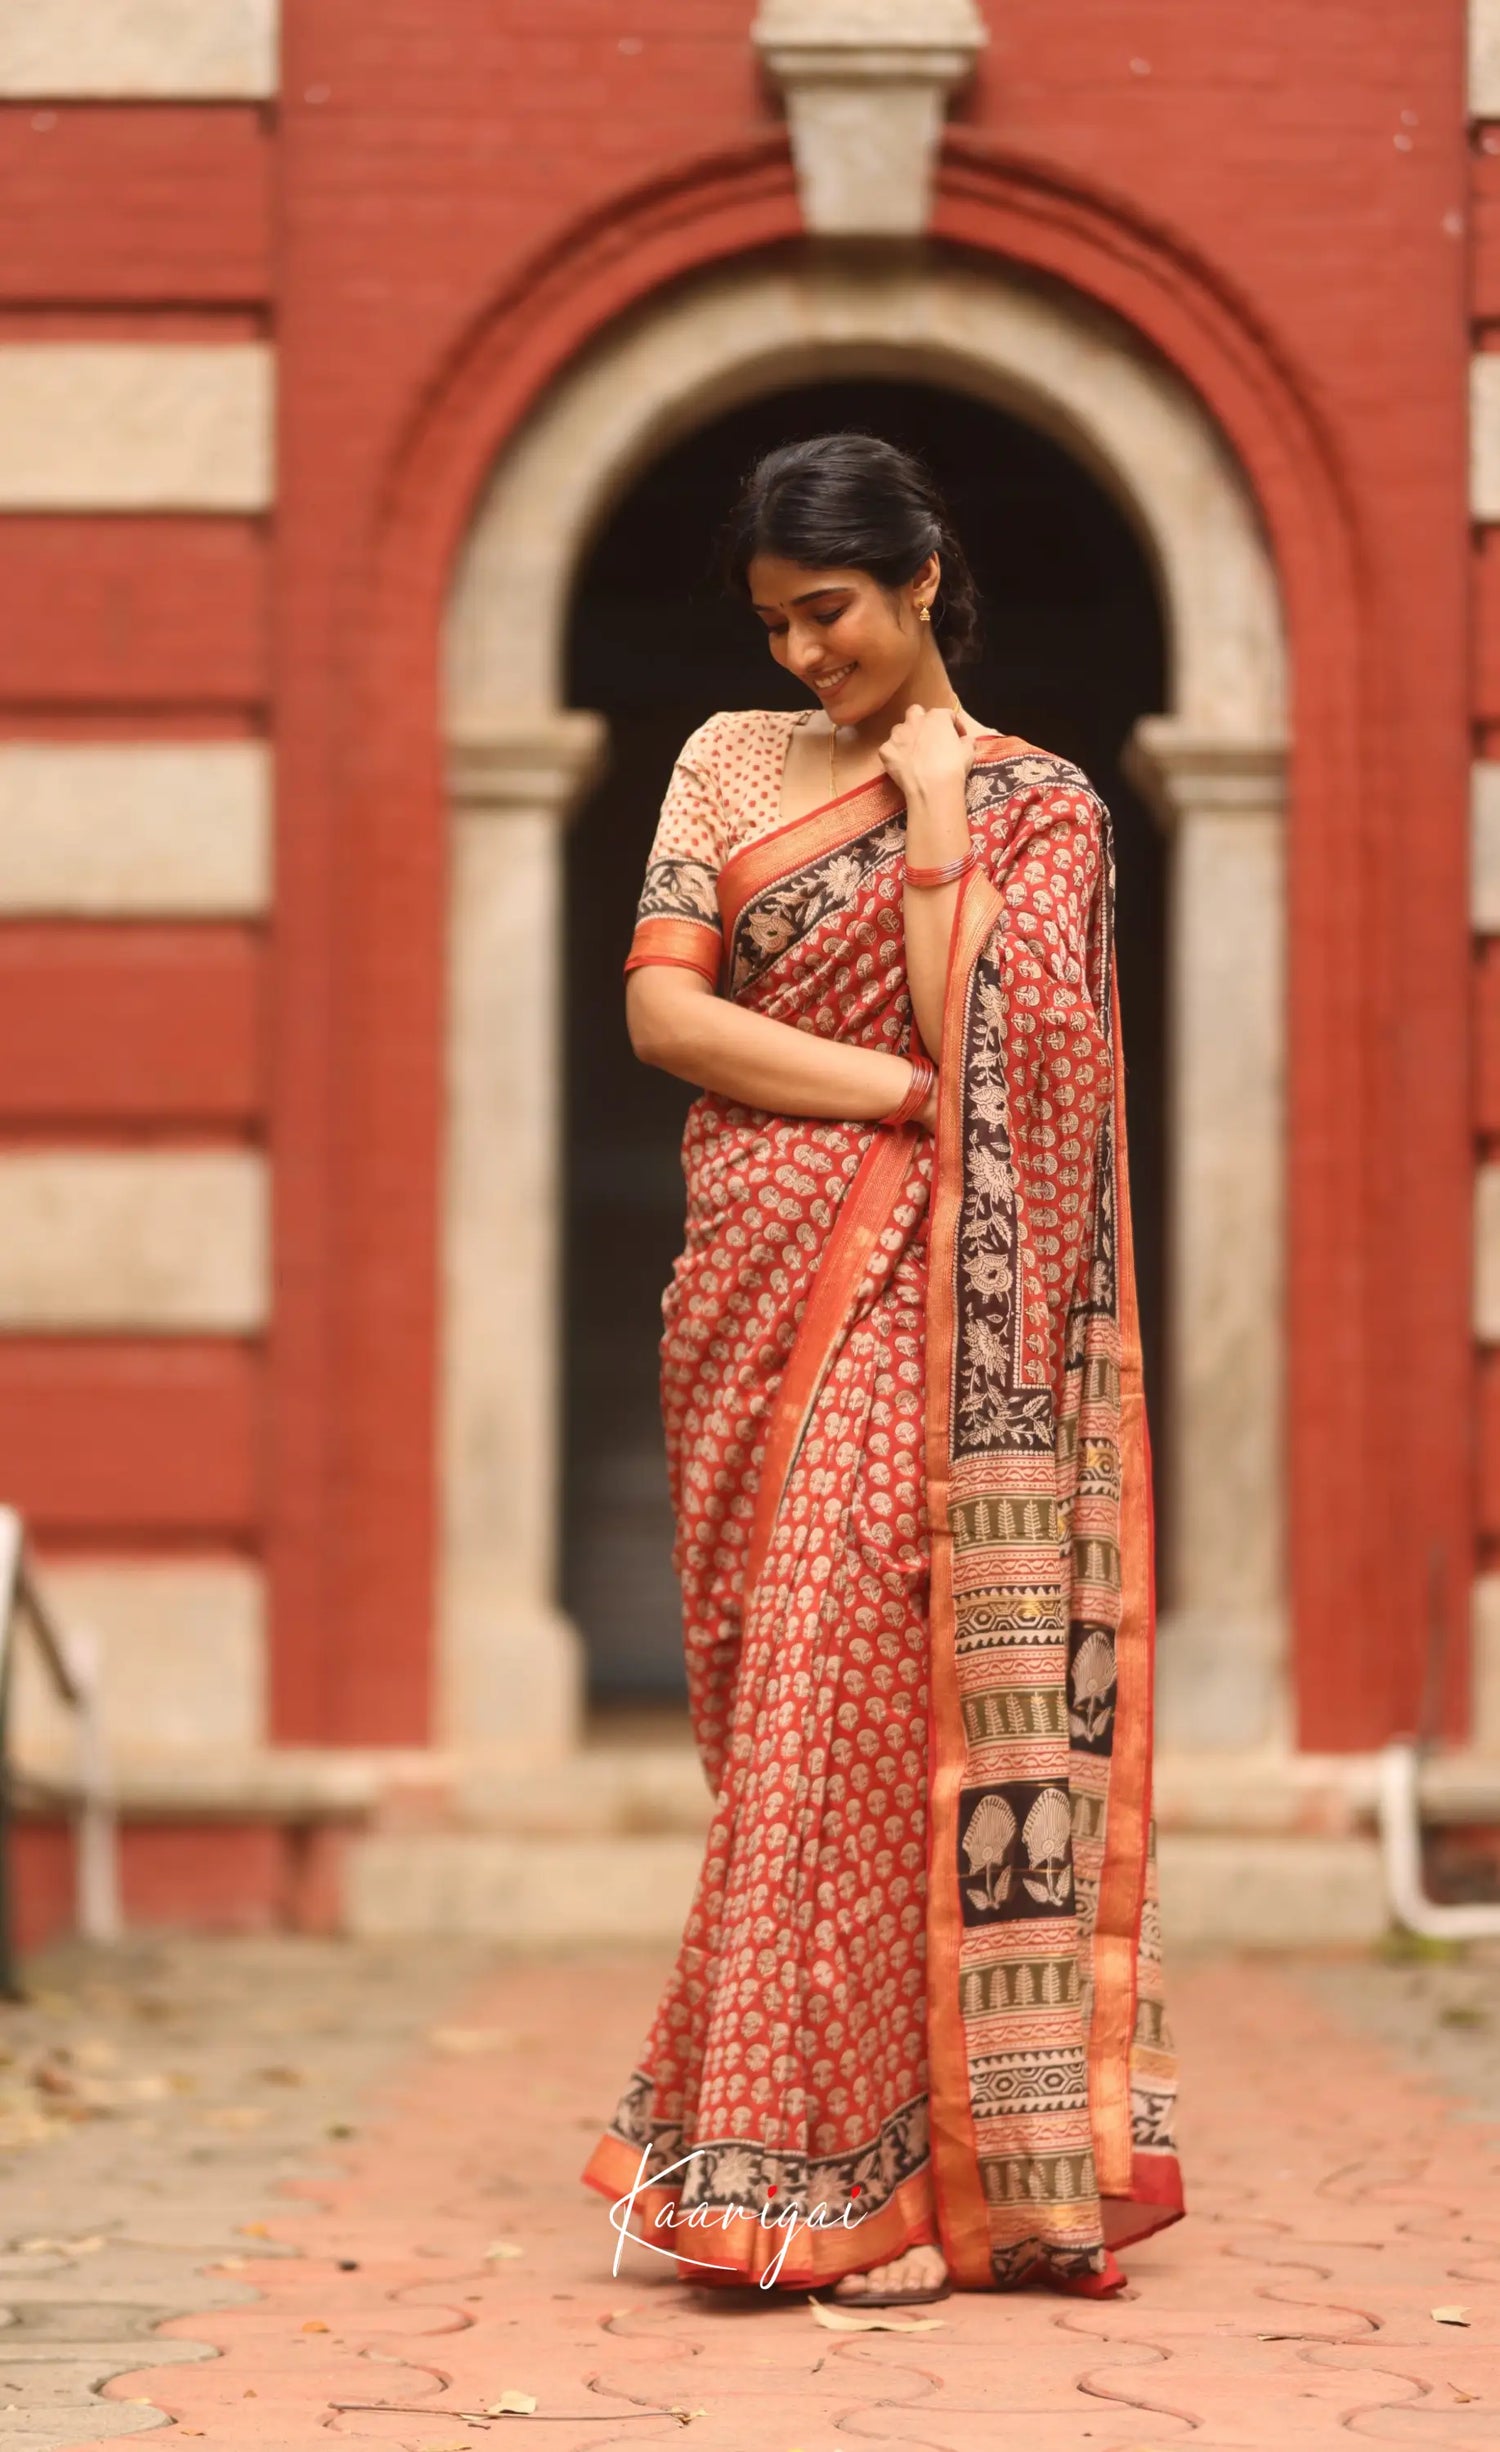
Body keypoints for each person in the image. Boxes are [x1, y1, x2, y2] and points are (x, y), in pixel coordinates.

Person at [580, 433, 1182, 2306]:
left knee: (848, 1709)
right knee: (777, 1719)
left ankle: (878, 2187)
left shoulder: (1041, 807)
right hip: (745, 1303)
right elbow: (666, 1012)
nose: (797, 657)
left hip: (937, 1326)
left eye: (826, 612)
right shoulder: (725, 762)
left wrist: (934, 828)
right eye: (772, 621)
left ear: (922, 580)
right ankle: (791, 2149)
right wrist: (907, 1099)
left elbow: (1042, 1075)